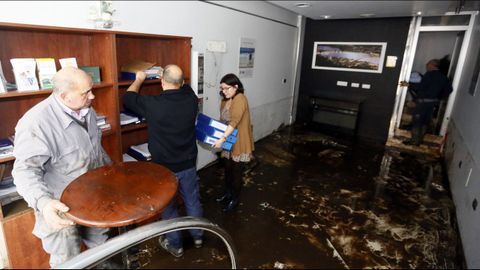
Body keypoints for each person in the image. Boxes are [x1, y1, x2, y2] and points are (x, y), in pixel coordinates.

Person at [12, 67, 113, 267]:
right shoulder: (36, 123)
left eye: (91, 90)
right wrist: (44, 203)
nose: (92, 96)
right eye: (86, 93)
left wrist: (113, 175)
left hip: (93, 199)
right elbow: (25, 171)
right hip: (59, 208)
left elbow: (95, 151)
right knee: (69, 262)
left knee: (104, 253)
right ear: (64, 96)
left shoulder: (87, 110)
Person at [123, 65, 203, 258]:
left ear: (161, 81)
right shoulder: (191, 99)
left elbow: (128, 98)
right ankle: (198, 236)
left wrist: (140, 78)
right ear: (182, 82)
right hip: (188, 162)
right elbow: (183, 85)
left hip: (164, 168)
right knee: (192, 200)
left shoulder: (153, 104)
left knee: (169, 207)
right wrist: (170, 77)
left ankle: (175, 245)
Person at [212, 73, 254, 212]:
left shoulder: (240, 98)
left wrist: (222, 139)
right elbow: (223, 121)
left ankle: (235, 199)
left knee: (236, 172)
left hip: (239, 139)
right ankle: (228, 194)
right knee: (227, 169)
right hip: (229, 137)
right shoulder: (225, 99)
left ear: (235, 87)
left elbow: (234, 121)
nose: (223, 91)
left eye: (226, 88)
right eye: (222, 89)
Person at [400, 59, 453, 145]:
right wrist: (438, 98)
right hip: (432, 104)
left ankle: (414, 142)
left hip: (422, 103)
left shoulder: (429, 75)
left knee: (417, 121)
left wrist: (408, 84)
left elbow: (420, 88)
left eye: (428, 64)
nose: (426, 66)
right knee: (425, 122)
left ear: (433, 65)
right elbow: (449, 89)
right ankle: (420, 140)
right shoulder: (444, 77)